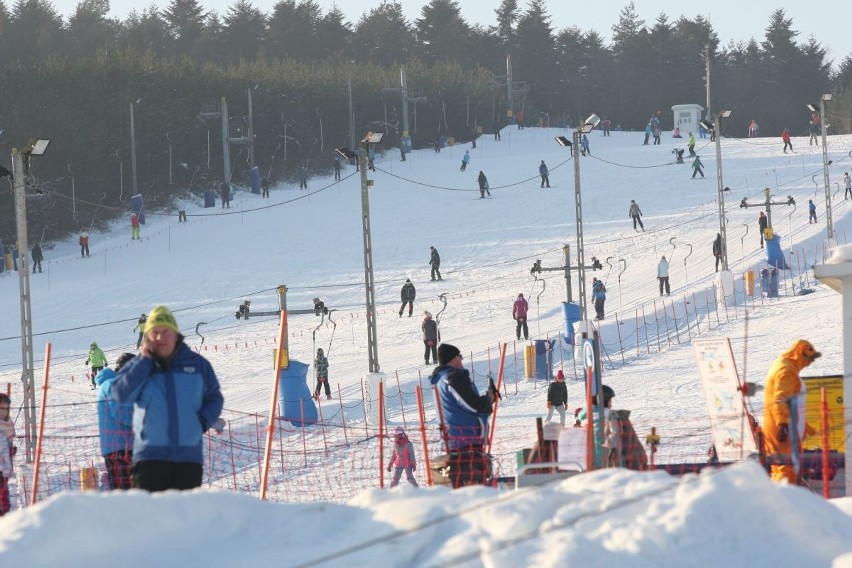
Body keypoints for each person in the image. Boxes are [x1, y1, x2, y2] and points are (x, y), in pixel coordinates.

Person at [112, 305, 224, 492]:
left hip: (188, 457)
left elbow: (214, 397)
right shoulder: (138, 366)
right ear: (147, 337)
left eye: (166, 332)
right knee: (151, 518)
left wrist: (202, 423)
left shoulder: (197, 365)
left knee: (184, 518)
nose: (160, 337)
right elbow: (120, 394)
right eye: (154, 332)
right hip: (149, 458)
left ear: (176, 334)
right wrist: (144, 362)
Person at [429, 343, 499, 488]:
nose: (461, 360)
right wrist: (488, 400)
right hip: (466, 439)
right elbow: (472, 405)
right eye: (459, 356)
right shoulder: (453, 377)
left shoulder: (440, 380)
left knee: (463, 487)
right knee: (472, 487)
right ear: (453, 359)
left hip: (456, 439)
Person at [763, 340, 821, 484]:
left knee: (783, 468)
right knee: (786, 469)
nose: (809, 363)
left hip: (784, 427)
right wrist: (783, 424)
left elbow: (793, 403)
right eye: (809, 359)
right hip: (782, 429)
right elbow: (780, 398)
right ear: (800, 355)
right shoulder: (786, 371)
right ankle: (782, 502)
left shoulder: (785, 366)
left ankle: (781, 499)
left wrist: (805, 427)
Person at [96, 352, 136, 490]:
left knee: (129, 492)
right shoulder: (113, 384)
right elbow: (122, 412)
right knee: (126, 493)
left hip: (120, 446)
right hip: (120, 448)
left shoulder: (111, 384)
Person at [0, 393, 16, 516]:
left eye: (6, 409)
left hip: (5, 469)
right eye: (1, 409)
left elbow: (6, 443)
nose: (4, 412)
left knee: (5, 499)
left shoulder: (8, 425)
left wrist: (11, 451)